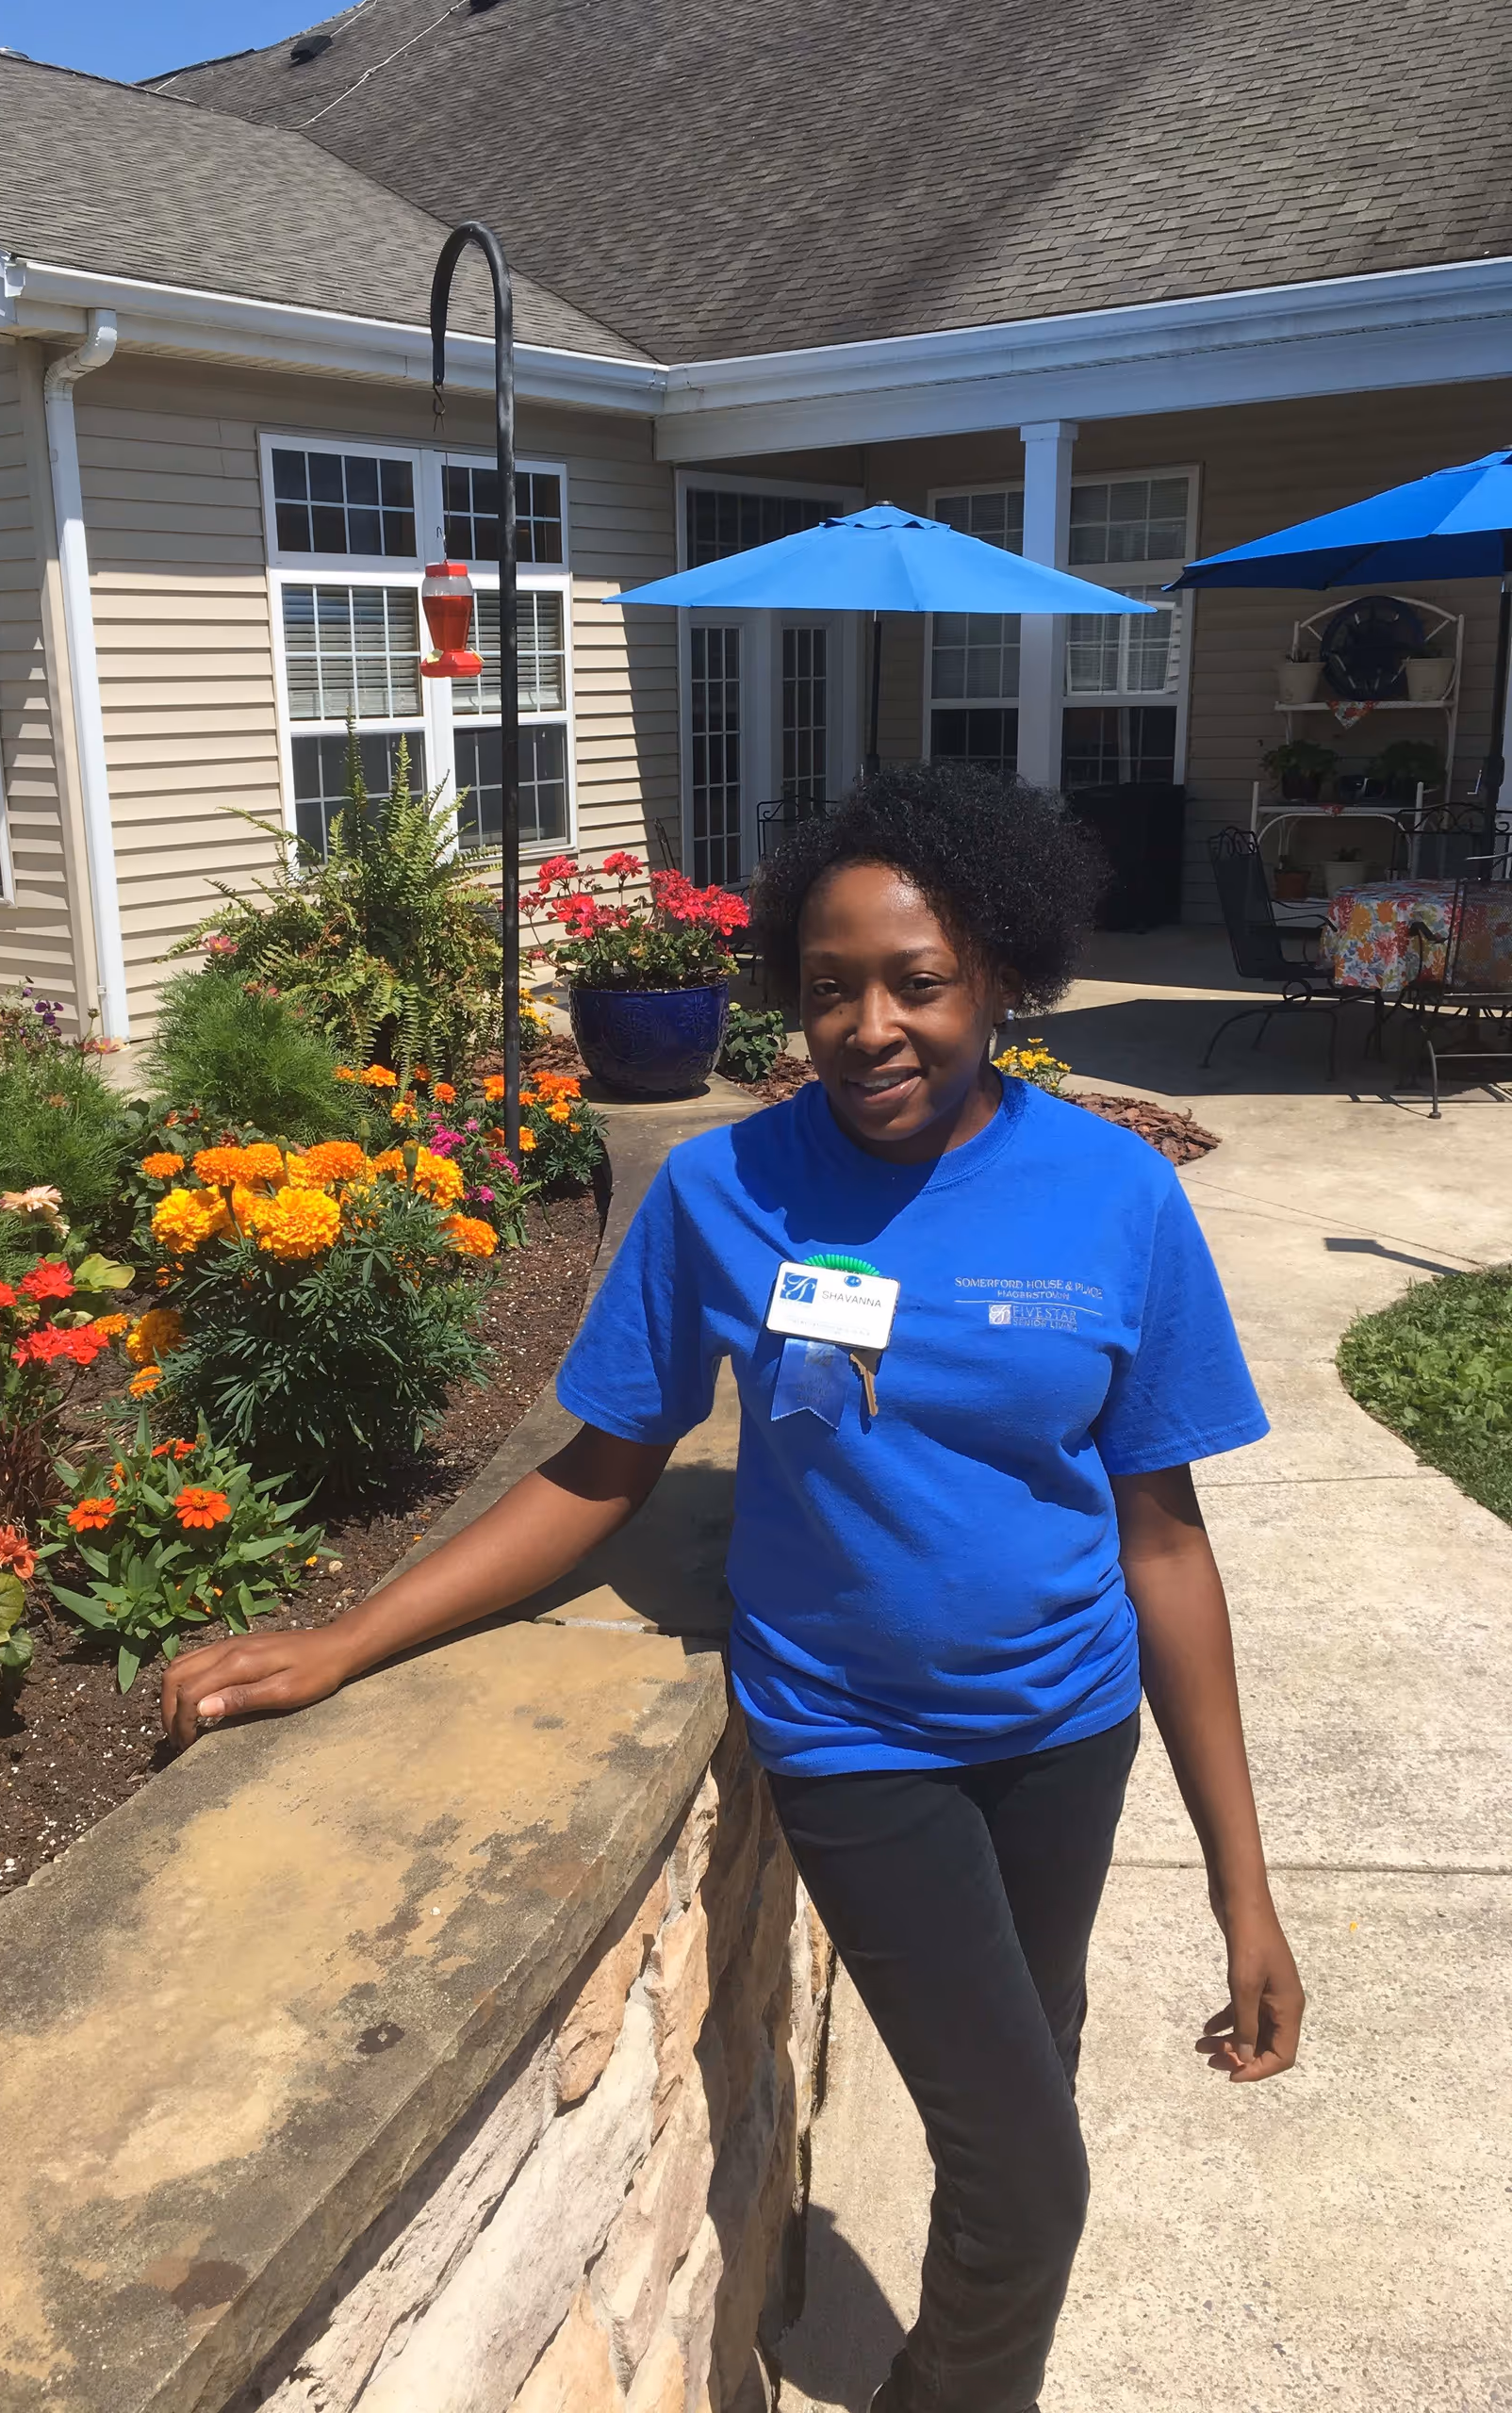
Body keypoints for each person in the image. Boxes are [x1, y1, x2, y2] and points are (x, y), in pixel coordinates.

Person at [161, 763, 1305, 2413]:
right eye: (830, 988)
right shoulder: (724, 1193)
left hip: (1065, 1726)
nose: (871, 1026)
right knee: (1036, 2182)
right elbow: (593, 1474)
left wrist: (1240, 1888)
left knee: (1021, 2108)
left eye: (917, 982)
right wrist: (346, 1639)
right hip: (856, 1745)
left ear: (998, 977)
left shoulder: (1113, 1195)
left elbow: (1166, 1541)